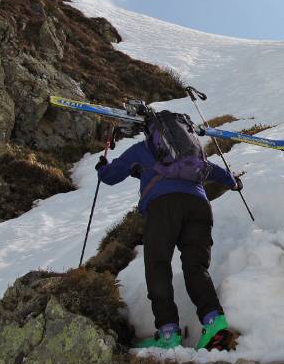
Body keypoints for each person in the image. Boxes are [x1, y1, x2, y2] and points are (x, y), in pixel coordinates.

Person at [95, 117, 242, 351]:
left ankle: (168, 333)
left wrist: (102, 167)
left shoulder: (143, 149)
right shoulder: (192, 154)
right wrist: (233, 183)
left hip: (163, 207)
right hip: (199, 206)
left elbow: (111, 177)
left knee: (158, 266)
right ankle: (214, 323)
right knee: (196, 266)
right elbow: (215, 172)